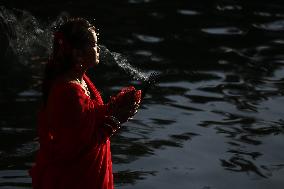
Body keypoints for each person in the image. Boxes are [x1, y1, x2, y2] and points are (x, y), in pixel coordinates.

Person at [29, 17, 141, 189]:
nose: (99, 49)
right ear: (77, 53)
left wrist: (118, 106)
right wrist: (117, 119)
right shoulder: (69, 92)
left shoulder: (82, 80)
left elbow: (90, 117)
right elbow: (78, 147)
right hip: (77, 177)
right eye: (94, 45)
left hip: (89, 170)